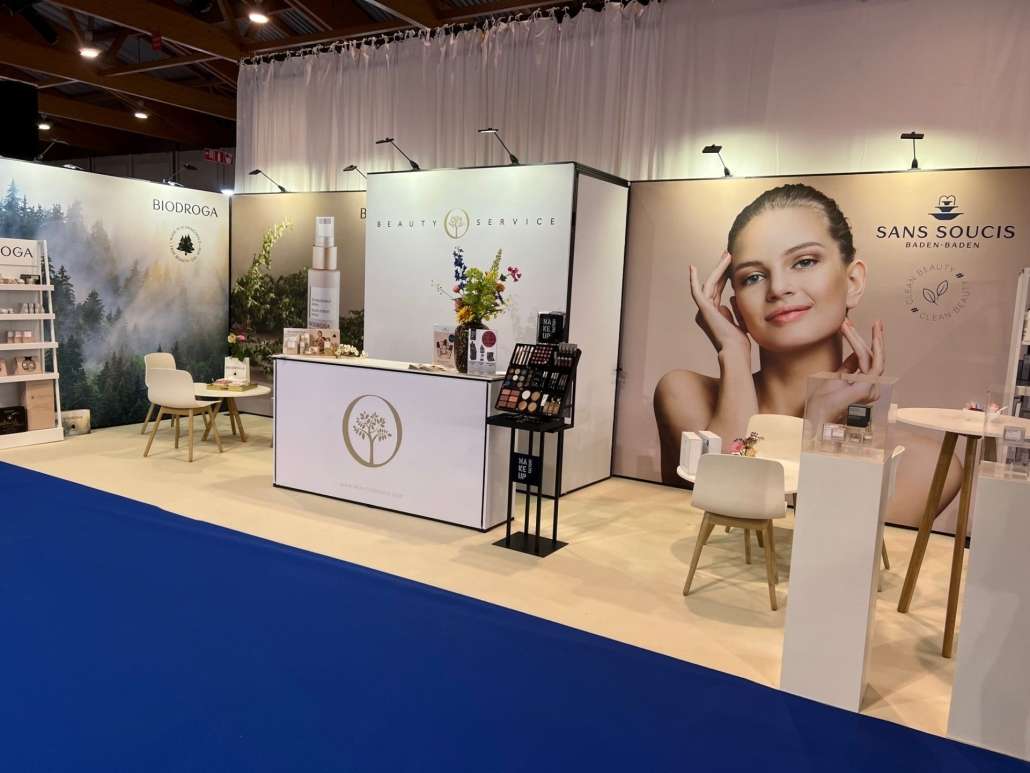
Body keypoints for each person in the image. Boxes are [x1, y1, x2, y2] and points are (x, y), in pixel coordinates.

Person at [654, 183, 960, 520]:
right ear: (737, 308)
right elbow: (726, 514)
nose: (778, 288)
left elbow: (828, 546)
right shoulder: (686, 395)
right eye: (753, 277)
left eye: (804, 262)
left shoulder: (923, 462)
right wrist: (734, 353)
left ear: (854, 282)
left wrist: (819, 427)